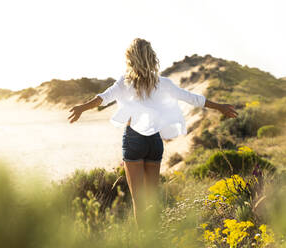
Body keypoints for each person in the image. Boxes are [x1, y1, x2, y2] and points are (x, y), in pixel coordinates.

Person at [67, 38, 238, 228]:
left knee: (138, 203)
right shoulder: (163, 83)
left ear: (131, 59)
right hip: (154, 142)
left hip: (133, 140)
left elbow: (103, 98)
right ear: (151, 57)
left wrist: (82, 107)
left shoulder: (124, 82)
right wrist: (219, 107)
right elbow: (191, 98)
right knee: (152, 200)